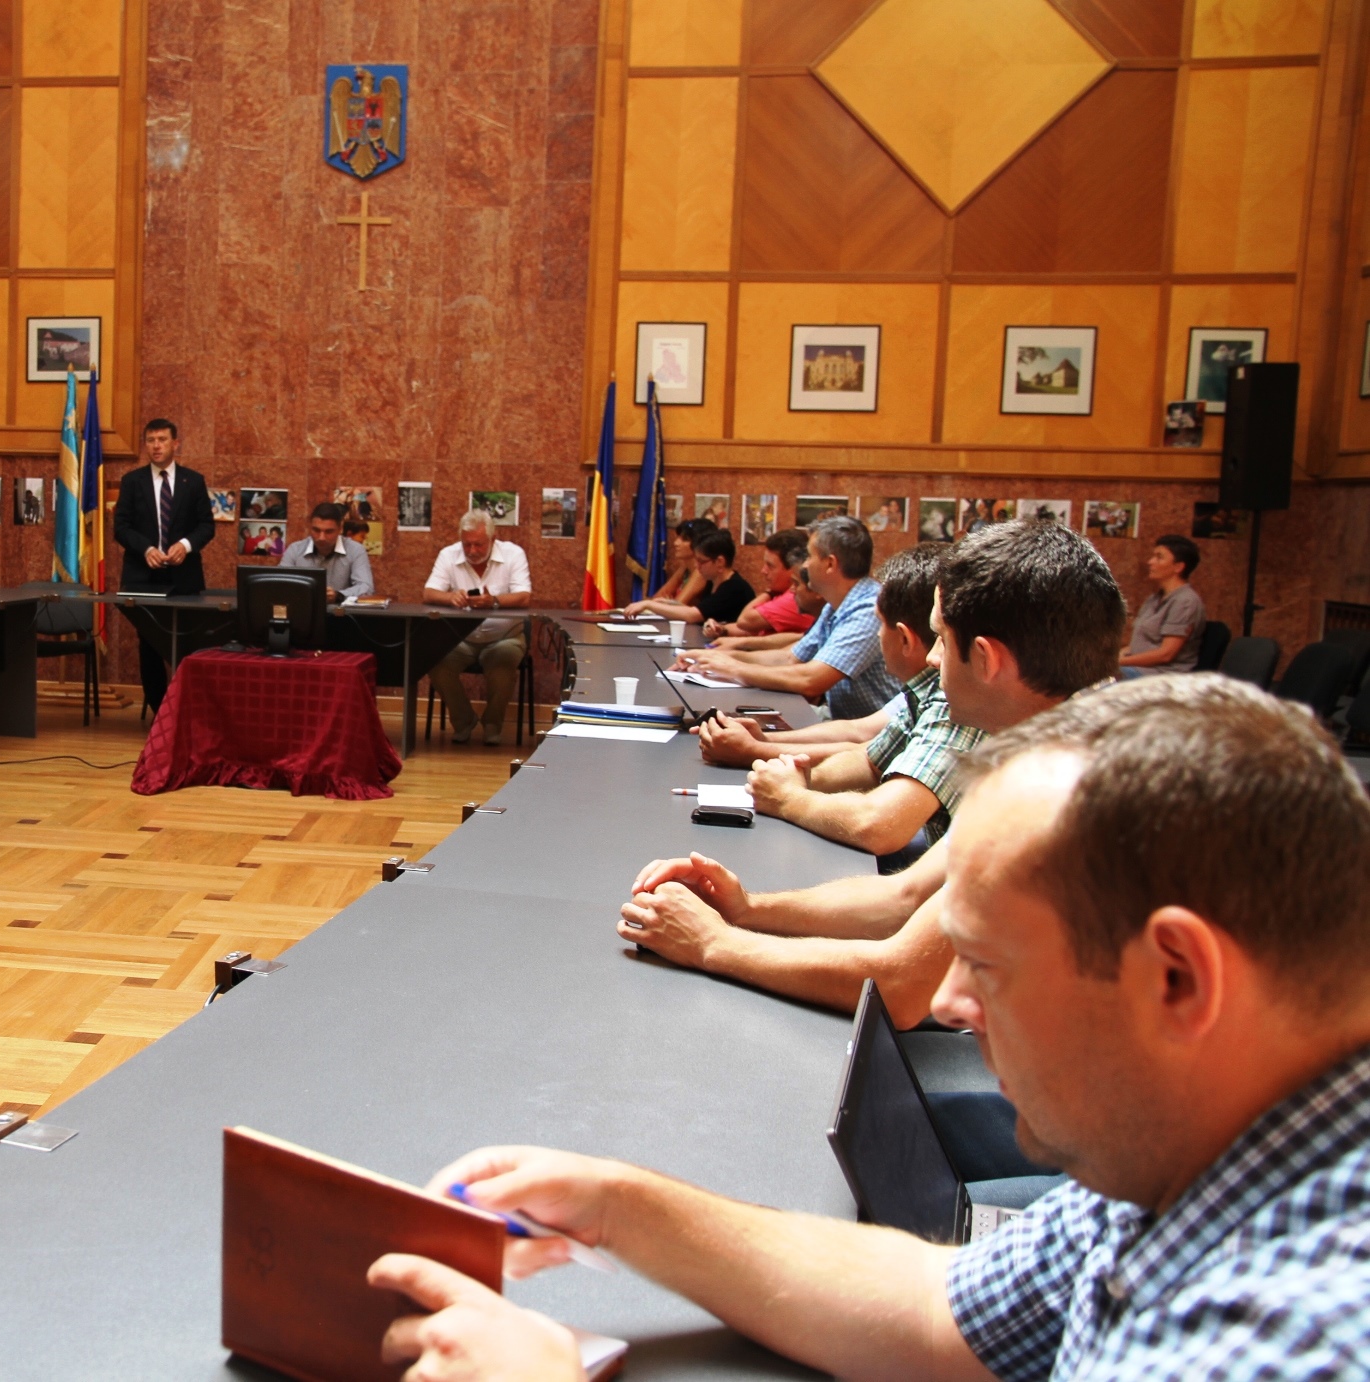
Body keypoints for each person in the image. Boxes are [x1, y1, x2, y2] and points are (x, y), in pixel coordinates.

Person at [370, 676, 1370, 1382]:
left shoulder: (1299, 1339)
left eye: (988, 965)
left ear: (1178, 979)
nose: (950, 1002)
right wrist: (619, 1207)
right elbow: (942, 1309)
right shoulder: (1190, 1145)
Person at [621, 520, 1126, 1028]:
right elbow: (904, 896)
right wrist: (745, 908)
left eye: (941, 640)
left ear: (986, 658)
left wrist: (713, 943)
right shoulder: (1052, 744)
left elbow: (899, 985)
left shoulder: (1060, 789)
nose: (931, 658)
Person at [741, 543, 984, 859]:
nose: (933, 657)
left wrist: (788, 795)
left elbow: (879, 825)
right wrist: (801, 777)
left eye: (944, 639)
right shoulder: (928, 688)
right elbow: (870, 759)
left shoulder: (959, 698)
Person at [676, 515, 900, 721]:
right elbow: (790, 658)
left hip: (867, 732)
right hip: (842, 718)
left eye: (810, 556)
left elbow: (810, 680)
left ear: (830, 564)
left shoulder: (867, 609)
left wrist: (733, 668)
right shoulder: (836, 606)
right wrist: (717, 657)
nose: (805, 564)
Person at [113, 418, 215, 712]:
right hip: (143, 575)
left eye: (162, 440)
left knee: (188, 643)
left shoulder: (192, 481)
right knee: (149, 643)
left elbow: (206, 526)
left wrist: (185, 545)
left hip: (184, 576)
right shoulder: (132, 481)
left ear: (175, 443)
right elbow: (121, 527)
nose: (156, 446)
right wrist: (145, 548)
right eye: (151, 440)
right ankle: (159, 713)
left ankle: (186, 710)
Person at [423, 510, 532, 746]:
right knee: (434, 660)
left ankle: (492, 724)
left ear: (493, 539)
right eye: (467, 544)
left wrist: (494, 601)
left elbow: (524, 596)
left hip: (505, 637)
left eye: (478, 545)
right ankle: (464, 720)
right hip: (459, 638)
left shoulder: (513, 554)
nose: (472, 551)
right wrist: (450, 597)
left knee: (503, 661)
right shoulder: (448, 555)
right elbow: (429, 593)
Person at [628, 527, 753, 627]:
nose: (696, 566)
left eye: (701, 561)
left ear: (720, 562)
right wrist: (669, 604)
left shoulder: (734, 587)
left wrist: (649, 605)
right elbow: (703, 610)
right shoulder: (712, 582)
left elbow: (693, 615)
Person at [705, 528, 813, 641]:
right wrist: (722, 629)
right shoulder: (780, 593)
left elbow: (744, 621)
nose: (763, 571)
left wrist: (768, 592)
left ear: (792, 569)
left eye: (770, 566)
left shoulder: (794, 598)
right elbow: (752, 630)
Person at [1119, 533, 1204, 675]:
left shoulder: (1185, 602)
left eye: (1159, 557)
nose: (1150, 562)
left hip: (1161, 674)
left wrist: (1116, 663)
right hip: (1137, 667)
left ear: (1178, 567)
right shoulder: (1154, 599)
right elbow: (1139, 646)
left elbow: (1165, 654)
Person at [279, 502, 374, 601]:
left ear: (340, 529)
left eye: (329, 532)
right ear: (310, 527)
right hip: (302, 608)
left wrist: (339, 595)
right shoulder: (295, 550)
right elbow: (279, 584)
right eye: (316, 530)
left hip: (340, 609)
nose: (321, 538)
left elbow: (366, 588)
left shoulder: (355, 550)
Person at [622, 518, 710, 618]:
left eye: (684, 539)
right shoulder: (685, 567)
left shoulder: (700, 573)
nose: (676, 543)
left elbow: (676, 608)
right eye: (678, 538)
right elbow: (658, 597)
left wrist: (665, 604)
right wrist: (663, 603)